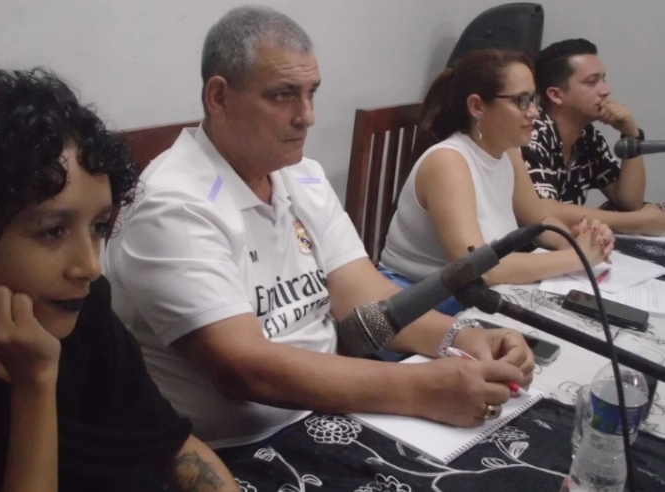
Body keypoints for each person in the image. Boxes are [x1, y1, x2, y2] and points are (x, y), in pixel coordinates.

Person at [103, 6, 534, 450]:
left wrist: (464, 338)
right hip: (229, 451)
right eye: (282, 95)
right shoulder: (173, 203)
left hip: (323, 415)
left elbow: (365, 296)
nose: (306, 115)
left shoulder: (300, 174)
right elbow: (243, 369)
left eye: (311, 93)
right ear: (219, 97)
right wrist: (422, 389)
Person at [0, 67, 239, 492]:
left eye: (99, 227)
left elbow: (173, 446)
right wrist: (35, 380)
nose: (90, 266)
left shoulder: (87, 313)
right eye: (53, 231)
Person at [379, 49, 613, 297]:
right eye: (521, 101)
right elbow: (479, 268)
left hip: (470, 294)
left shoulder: (509, 151)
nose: (534, 112)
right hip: (416, 298)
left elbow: (539, 219)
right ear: (477, 106)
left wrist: (579, 242)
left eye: (534, 99)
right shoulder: (448, 162)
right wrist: (578, 257)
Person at [519, 38, 665, 235]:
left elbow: (628, 202)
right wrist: (638, 222)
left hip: (564, 246)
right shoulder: (532, 132)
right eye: (592, 82)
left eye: (603, 79)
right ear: (556, 95)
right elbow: (544, 210)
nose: (606, 90)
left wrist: (631, 135)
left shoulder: (588, 137)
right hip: (525, 249)